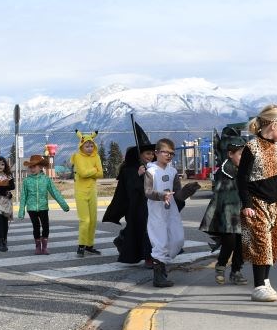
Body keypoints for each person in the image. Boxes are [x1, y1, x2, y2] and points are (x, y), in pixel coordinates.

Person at [237, 104, 277, 302]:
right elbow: (242, 178)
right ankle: (258, 286)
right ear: (273, 125)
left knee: (272, 244)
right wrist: (247, 204)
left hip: (275, 205)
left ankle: (265, 281)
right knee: (261, 244)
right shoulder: (252, 147)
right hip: (257, 204)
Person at [103, 121, 156, 265]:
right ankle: (147, 256)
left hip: (151, 205)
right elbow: (130, 189)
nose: (150, 156)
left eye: (152, 153)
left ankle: (126, 242)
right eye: (147, 153)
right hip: (136, 207)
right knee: (140, 230)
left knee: (147, 230)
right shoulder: (129, 170)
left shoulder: (154, 168)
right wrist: (138, 175)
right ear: (140, 154)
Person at [200, 128, 248, 285]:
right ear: (230, 154)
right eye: (241, 154)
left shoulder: (246, 170)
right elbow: (220, 195)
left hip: (244, 210)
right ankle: (220, 266)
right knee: (230, 242)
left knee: (243, 243)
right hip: (228, 213)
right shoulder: (224, 171)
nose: (244, 158)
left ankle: (236, 271)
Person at [144, 138, 189, 287]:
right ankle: (159, 276)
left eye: (172, 153)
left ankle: (162, 264)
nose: (169, 156)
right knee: (160, 243)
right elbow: (148, 192)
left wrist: (188, 191)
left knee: (178, 240)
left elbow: (178, 193)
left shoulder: (173, 171)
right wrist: (161, 196)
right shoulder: (150, 171)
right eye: (165, 152)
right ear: (157, 153)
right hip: (157, 213)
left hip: (172, 212)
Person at [17, 154, 70, 254]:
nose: (32, 169)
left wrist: (63, 205)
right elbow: (23, 196)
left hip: (43, 207)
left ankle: (44, 247)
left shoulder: (46, 180)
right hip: (31, 208)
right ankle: (38, 247)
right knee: (36, 227)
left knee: (45, 226)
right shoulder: (26, 181)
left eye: (34, 166)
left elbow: (55, 192)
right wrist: (21, 211)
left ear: (40, 167)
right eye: (31, 167)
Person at [70, 130, 103, 257]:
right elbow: (83, 173)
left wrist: (92, 171)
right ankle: (81, 245)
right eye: (87, 146)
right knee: (85, 220)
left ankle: (90, 245)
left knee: (93, 220)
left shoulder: (97, 157)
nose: (89, 148)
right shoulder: (77, 156)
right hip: (81, 192)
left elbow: (101, 173)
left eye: (91, 146)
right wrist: (94, 169)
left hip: (92, 192)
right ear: (81, 146)